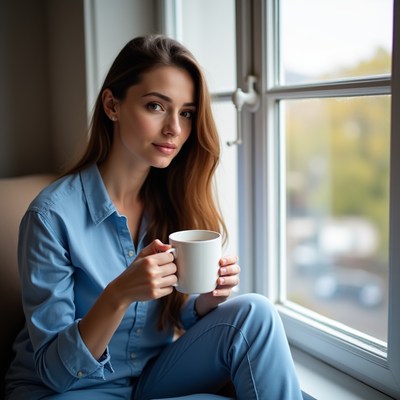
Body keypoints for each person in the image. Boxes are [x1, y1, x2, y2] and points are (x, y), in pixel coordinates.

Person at [5, 35, 303, 400]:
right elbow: (55, 371)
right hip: (65, 390)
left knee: (256, 313)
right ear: (112, 105)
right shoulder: (51, 217)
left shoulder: (173, 202)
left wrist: (202, 304)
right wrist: (118, 294)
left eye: (187, 113)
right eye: (156, 107)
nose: (175, 129)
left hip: (148, 382)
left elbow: (155, 325)